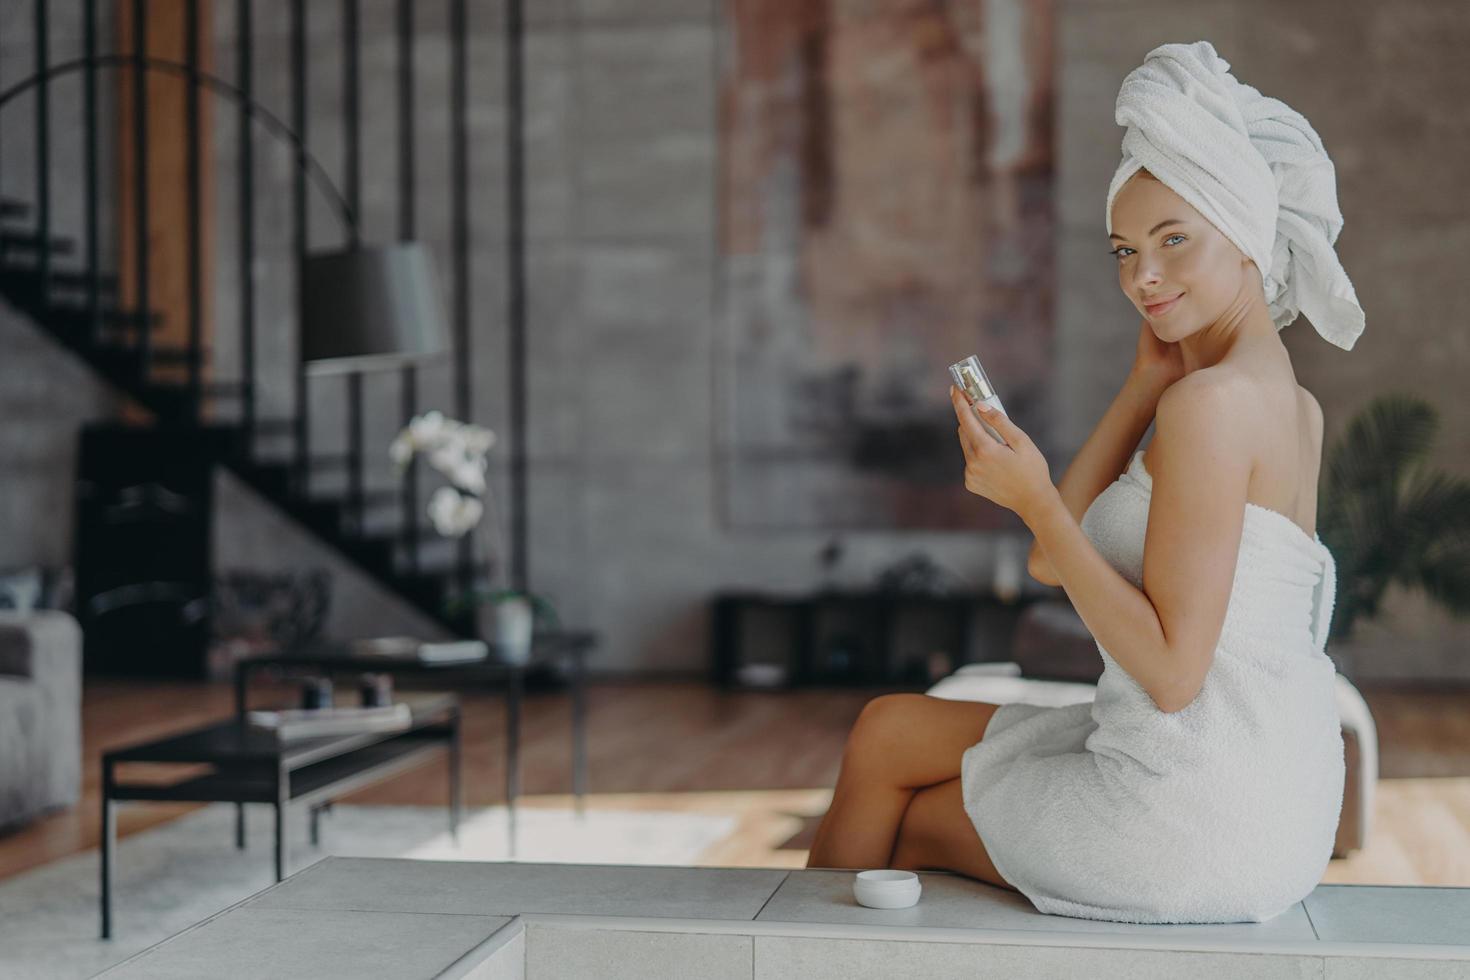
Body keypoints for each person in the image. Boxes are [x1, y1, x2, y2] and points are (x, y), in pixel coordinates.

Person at [805, 40, 1364, 924]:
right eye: (1124, 248)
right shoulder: (1284, 404)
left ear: (1249, 238)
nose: (1143, 275)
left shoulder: (1213, 407)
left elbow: (1176, 677)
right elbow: (1048, 566)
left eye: (1174, 239)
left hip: (1189, 816)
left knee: (899, 816)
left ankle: (770, 949)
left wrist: (1032, 492)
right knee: (891, 730)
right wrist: (1144, 384)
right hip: (1267, 791)